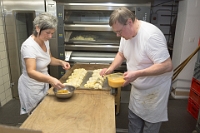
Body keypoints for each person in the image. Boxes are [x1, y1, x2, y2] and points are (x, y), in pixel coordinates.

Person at [100, 7, 173, 133]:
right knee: (133, 121)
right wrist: (111, 68)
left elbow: (167, 65)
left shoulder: (151, 36)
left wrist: (138, 73)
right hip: (138, 89)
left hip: (154, 92)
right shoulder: (126, 35)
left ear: (129, 22)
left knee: (150, 126)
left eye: (119, 31)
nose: (118, 35)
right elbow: (121, 54)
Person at [18, 12, 70, 115]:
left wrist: (60, 62)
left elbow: (49, 59)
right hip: (31, 87)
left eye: (52, 33)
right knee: (35, 116)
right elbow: (31, 71)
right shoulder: (29, 46)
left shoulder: (45, 40)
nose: (50, 36)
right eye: (48, 32)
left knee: (44, 112)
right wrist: (50, 79)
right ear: (37, 28)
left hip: (43, 83)